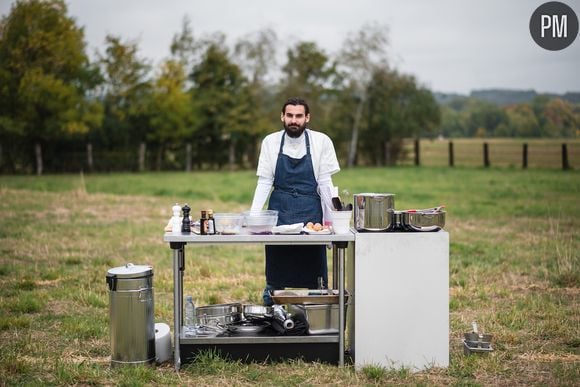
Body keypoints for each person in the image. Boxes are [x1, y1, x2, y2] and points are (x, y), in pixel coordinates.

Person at [250, 97, 340, 306]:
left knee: (314, 271)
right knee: (277, 269)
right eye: (289, 115)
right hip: (279, 211)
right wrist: (253, 216)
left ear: (307, 118)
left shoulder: (321, 141)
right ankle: (273, 309)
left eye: (299, 116)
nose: (294, 120)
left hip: (311, 213)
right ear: (282, 116)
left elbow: (325, 184)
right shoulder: (270, 142)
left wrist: (331, 223)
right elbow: (264, 182)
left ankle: (318, 313)